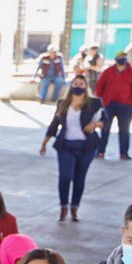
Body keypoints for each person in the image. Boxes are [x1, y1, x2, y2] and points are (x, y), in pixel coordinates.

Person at [40, 74, 103, 222]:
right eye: (75, 83)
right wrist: (44, 143)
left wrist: (94, 125)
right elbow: (54, 124)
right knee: (65, 177)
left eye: (81, 84)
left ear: (86, 87)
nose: (78, 86)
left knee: (79, 178)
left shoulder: (94, 103)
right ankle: (63, 206)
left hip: (86, 147)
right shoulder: (63, 103)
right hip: (66, 146)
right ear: (71, 86)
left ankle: (75, 207)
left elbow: (104, 121)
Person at [94, 53, 132, 161]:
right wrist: (100, 101)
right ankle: (101, 151)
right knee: (105, 128)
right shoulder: (108, 71)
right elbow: (100, 86)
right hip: (109, 104)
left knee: (124, 130)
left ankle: (124, 153)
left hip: (126, 105)